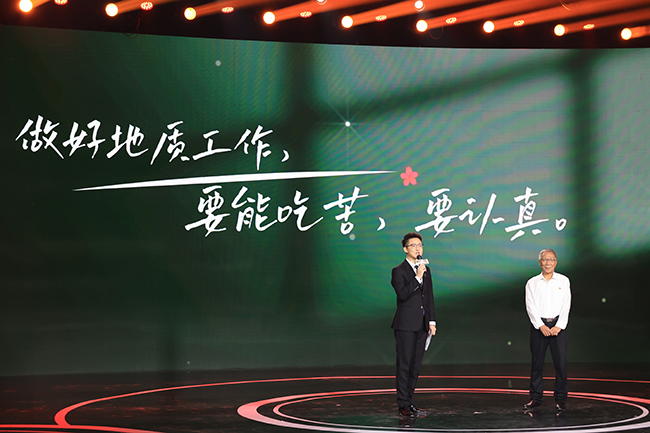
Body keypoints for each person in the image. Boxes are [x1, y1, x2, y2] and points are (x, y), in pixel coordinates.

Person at [391, 232, 436, 418]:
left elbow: (429, 296)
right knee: (404, 365)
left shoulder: (425, 269)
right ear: (405, 249)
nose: (418, 248)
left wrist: (431, 321)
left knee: (415, 367)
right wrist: (417, 277)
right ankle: (402, 404)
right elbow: (402, 294)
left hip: (422, 325)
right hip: (405, 325)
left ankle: (410, 402)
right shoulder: (398, 271)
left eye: (420, 245)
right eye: (413, 245)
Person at [523, 248, 571, 412]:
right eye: (545, 259)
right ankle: (535, 398)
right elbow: (530, 306)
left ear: (555, 262)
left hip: (558, 326)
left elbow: (566, 304)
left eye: (551, 259)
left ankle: (561, 399)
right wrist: (540, 325)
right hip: (539, 327)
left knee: (561, 365)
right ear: (540, 262)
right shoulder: (532, 283)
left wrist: (559, 326)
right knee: (537, 365)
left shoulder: (563, 280)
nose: (548, 262)